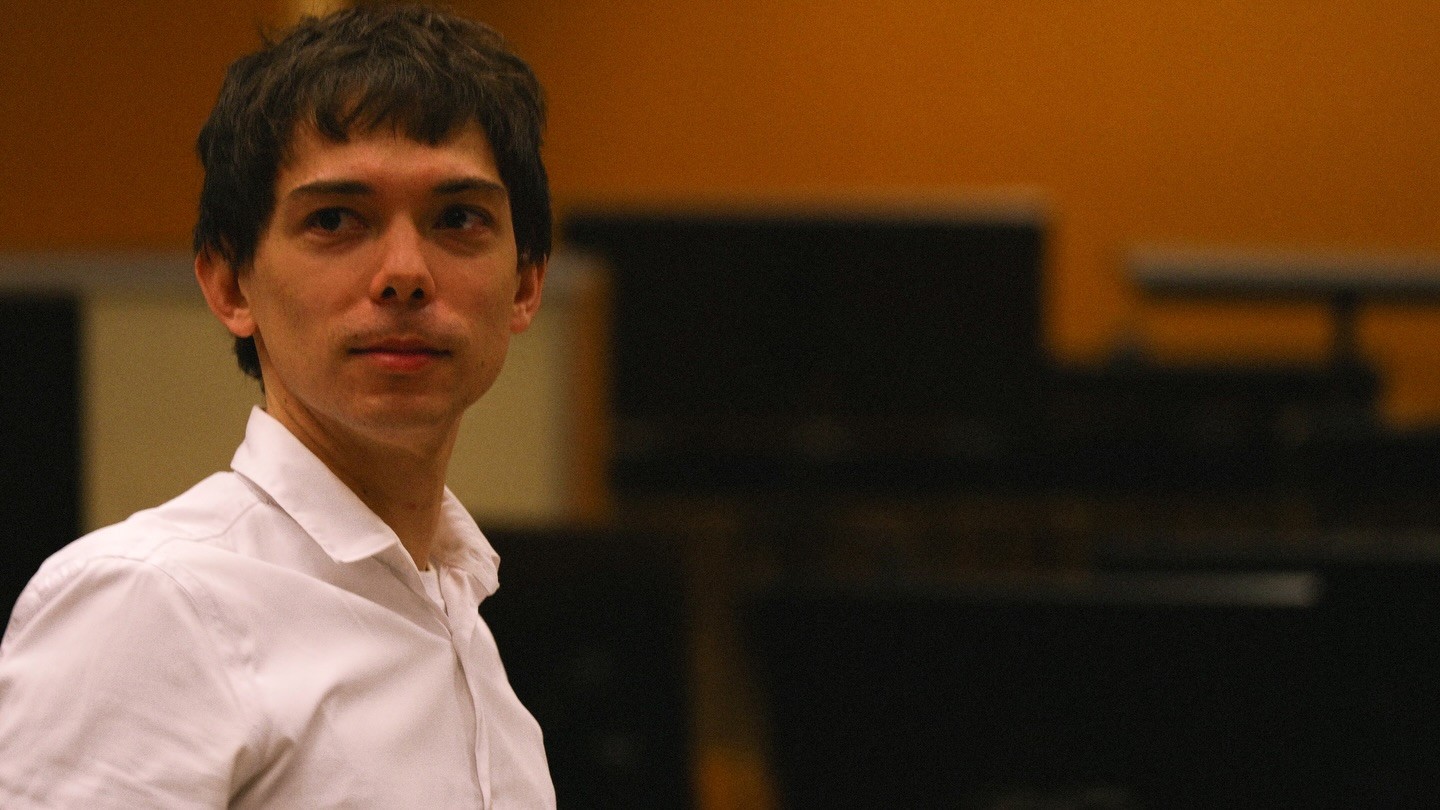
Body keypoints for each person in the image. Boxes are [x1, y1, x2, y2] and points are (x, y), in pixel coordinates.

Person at [0, 5, 556, 807]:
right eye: (335, 220)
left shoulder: (461, 624)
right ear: (231, 285)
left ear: (527, 282)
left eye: (458, 219)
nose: (405, 273)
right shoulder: (153, 603)